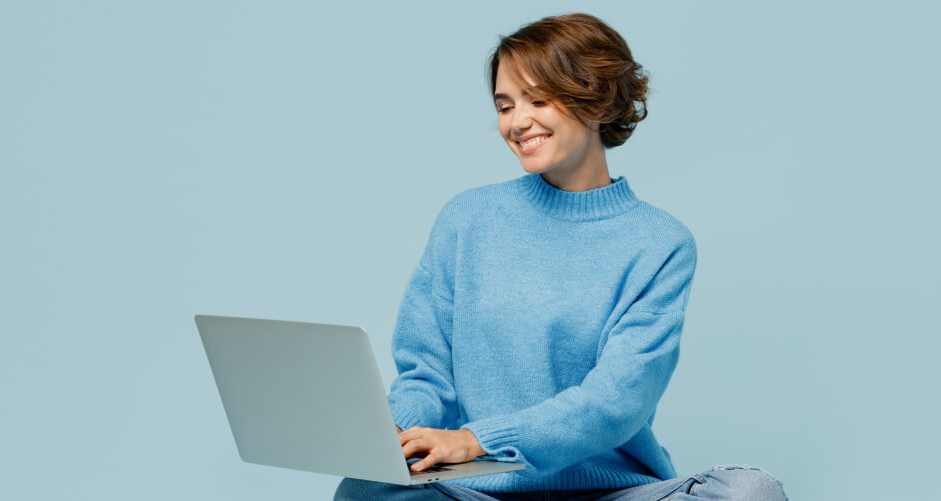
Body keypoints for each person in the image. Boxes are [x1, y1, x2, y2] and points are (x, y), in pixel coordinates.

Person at [335, 13, 788, 501]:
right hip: (475, 493)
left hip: (609, 493)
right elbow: (426, 375)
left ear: (595, 99)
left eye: (539, 100)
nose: (517, 121)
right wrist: (385, 440)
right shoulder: (467, 219)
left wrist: (477, 440)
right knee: (364, 488)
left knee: (750, 492)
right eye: (505, 106)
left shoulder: (660, 242)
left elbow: (617, 400)